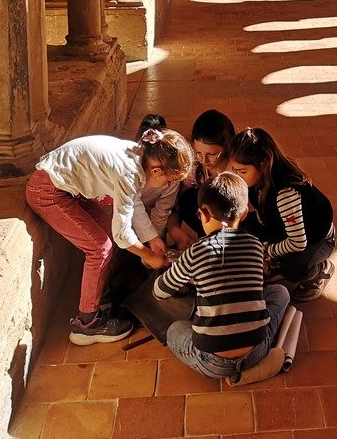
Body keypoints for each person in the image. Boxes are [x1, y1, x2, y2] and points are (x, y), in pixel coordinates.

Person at [25, 130, 192, 345]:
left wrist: (152, 238)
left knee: (105, 234)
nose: (169, 185)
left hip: (66, 188)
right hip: (47, 192)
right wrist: (149, 256)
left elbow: (134, 203)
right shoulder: (129, 172)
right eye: (169, 180)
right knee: (99, 248)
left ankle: (98, 293)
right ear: (157, 170)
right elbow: (122, 235)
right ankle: (87, 323)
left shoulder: (139, 158)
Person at [154, 171, 290, 382]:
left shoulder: (196, 251)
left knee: (174, 330)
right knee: (280, 292)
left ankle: (233, 372)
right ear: (244, 213)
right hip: (256, 350)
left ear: (204, 214)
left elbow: (160, 291)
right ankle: (254, 366)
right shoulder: (255, 245)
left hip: (212, 362)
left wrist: (189, 275)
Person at [228, 127, 335, 301]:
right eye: (235, 171)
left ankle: (318, 269)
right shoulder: (261, 177)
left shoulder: (285, 193)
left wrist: (267, 252)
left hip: (316, 240)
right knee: (243, 226)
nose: (238, 177)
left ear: (262, 164)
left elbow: (298, 242)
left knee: (291, 268)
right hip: (286, 228)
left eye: (242, 172)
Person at [166, 109, 235, 250]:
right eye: (198, 152)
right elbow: (175, 205)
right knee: (189, 196)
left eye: (212, 154)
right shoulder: (196, 169)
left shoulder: (236, 170)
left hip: (230, 225)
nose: (204, 159)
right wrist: (174, 231)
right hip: (207, 225)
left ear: (227, 147)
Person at [134, 114, 192, 245]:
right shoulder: (131, 171)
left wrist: (155, 241)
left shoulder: (172, 176)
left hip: (150, 216)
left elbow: (162, 211)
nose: (169, 184)